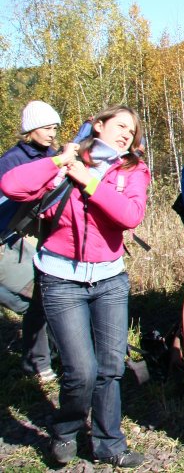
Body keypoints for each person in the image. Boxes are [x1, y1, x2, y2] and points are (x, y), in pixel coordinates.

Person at [0, 106, 150, 468]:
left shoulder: (132, 169)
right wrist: (59, 162)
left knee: (110, 366)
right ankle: (65, 429)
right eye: (119, 127)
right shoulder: (64, 163)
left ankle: (109, 442)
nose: (126, 136)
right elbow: (11, 185)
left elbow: (130, 215)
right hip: (61, 279)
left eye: (131, 132)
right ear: (98, 126)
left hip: (109, 279)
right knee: (81, 369)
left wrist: (91, 182)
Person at [0, 100, 61, 381]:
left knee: (43, 297)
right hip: (7, 240)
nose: (52, 133)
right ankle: (37, 362)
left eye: (55, 128)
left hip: (32, 238)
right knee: (33, 300)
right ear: (30, 129)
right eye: (46, 128)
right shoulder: (11, 161)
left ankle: (44, 355)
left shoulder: (52, 154)